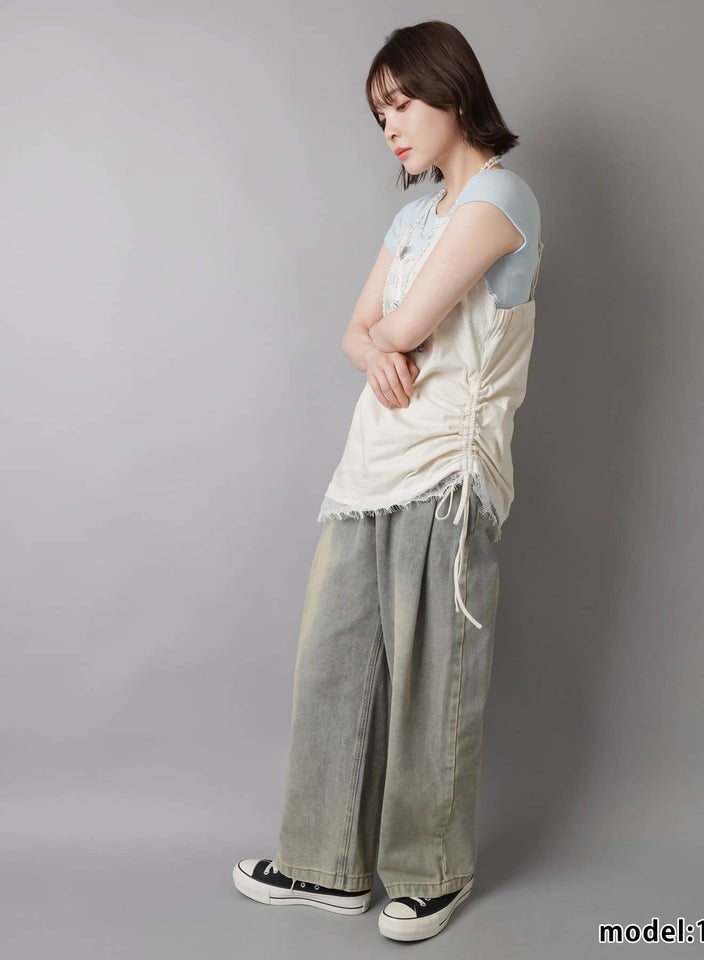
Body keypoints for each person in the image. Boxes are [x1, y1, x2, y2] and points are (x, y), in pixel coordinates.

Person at [232, 19, 544, 943]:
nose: (390, 128)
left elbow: (400, 326)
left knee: (431, 677)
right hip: (368, 468)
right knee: (334, 668)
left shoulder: (503, 197)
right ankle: (323, 863)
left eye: (401, 104)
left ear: (453, 91)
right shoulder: (412, 219)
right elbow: (355, 331)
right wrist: (373, 348)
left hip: (448, 471)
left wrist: (380, 342)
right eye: (379, 115)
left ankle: (429, 873)